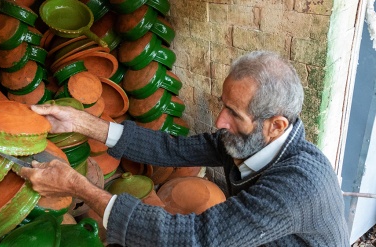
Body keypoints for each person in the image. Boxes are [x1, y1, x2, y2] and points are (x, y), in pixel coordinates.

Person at [21, 51, 349, 246]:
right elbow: (173, 150)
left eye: (234, 114)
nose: (220, 121)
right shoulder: (249, 142)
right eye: (223, 106)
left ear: (276, 125)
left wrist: (78, 187)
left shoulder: (296, 187)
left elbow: (194, 238)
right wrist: (81, 123)